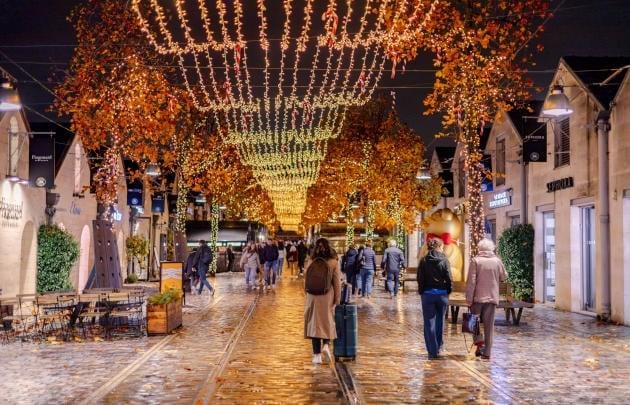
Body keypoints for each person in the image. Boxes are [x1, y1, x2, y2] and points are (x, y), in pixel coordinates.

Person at [466, 238, 507, 360]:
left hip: (477, 298)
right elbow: (504, 276)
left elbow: (471, 282)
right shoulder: (497, 261)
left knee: (474, 324)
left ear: (480, 248)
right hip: (492, 298)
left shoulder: (475, 261)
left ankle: (479, 343)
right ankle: (487, 352)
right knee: (489, 326)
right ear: (492, 248)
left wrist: (469, 298)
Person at [304, 238, 341, 364]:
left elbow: (306, 278)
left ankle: (316, 355)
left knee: (314, 324)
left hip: (312, 296)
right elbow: (337, 283)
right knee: (327, 321)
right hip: (327, 296)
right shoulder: (333, 262)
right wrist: (337, 300)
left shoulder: (310, 260)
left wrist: (307, 293)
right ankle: (326, 344)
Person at [418, 238, 452, 359]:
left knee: (429, 322)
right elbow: (449, 277)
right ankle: (438, 347)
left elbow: (420, 278)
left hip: (427, 294)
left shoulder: (424, 261)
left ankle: (432, 350)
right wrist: (448, 290)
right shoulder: (444, 260)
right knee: (440, 321)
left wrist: (421, 291)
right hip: (442, 294)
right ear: (439, 247)